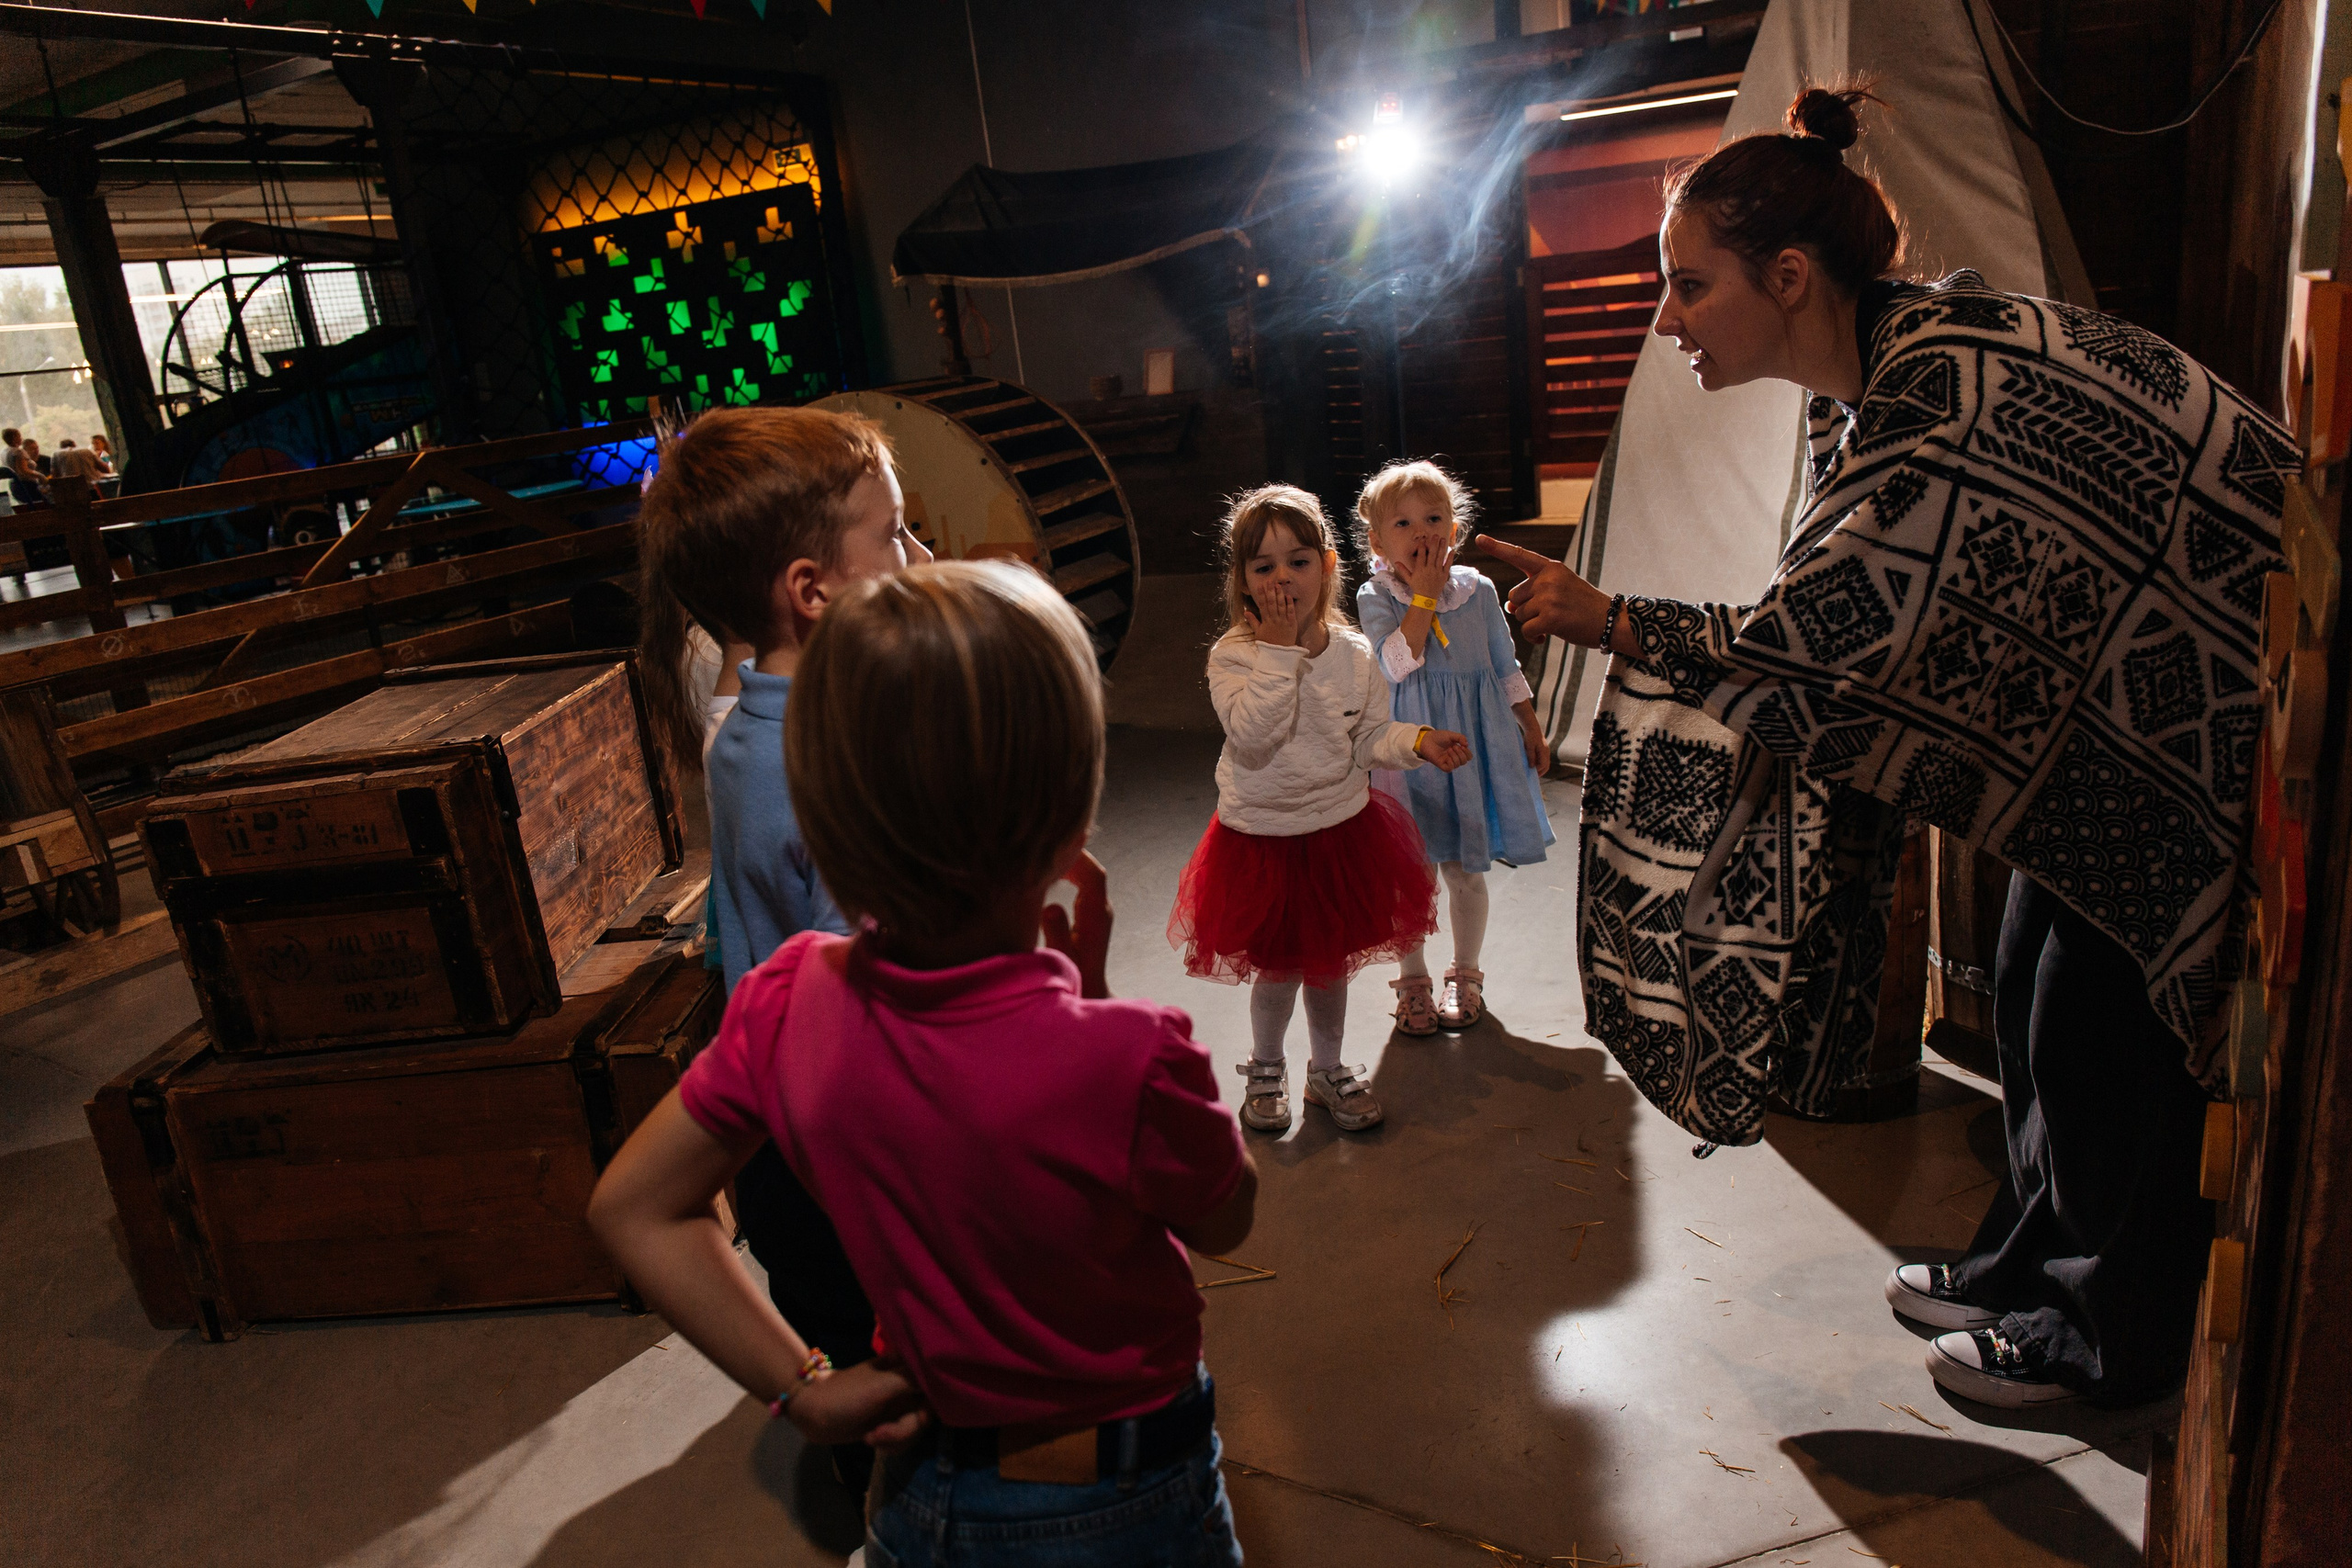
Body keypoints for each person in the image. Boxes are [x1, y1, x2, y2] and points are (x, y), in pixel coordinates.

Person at [1478, 84, 2285, 1410]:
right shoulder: (1889, 375)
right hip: (2115, 711)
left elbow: (1817, 645)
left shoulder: (1936, 398)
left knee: (2098, 1010)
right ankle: (2034, 1258)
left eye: (1688, 286)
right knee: (2032, 969)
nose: (1665, 320)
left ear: (1787, 276)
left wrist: (1611, 616)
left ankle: (2104, 1333)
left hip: (2198, 716)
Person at [591, 561, 1254, 1568]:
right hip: (1124, 1497)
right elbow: (1224, 1217)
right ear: (1072, 829)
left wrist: (805, 1388)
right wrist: (1097, 1012)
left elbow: (632, 1209)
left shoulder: (786, 1002)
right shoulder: (1129, 1056)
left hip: (922, 1496)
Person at [633, 404, 931, 1495]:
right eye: (895, 537)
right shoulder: (823, 767)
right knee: (901, 1394)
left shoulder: (763, 714)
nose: (921, 557)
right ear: (812, 591)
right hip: (844, 1151)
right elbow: (894, 988)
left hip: (793, 1135)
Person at [1169, 483, 1472, 1134]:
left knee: (1329, 970)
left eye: (1299, 561)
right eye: (1264, 565)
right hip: (1263, 838)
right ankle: (1268, 1064)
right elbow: (1253, 736)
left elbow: (1366, 738)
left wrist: (1415, 740)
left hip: (1338, 831)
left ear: (1329, 566)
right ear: (1243, 581)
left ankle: (1326, 1069)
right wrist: (1279, 650)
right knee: (1277, 971)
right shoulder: (1234, 657)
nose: (1283, 577)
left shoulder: (1354, 653)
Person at [1352, 459, 1554, 1033]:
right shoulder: (1376, 595)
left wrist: (1531, 725)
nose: (1421, 533)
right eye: (1403, 524)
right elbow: (1396, 665)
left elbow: (1503, 664)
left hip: (1474, 744)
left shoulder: (1479, 590)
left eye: (1433, 518)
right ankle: (1412, 979)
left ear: (1455, 531)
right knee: (1410, 873)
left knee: (1466, 870)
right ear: (1376, 540)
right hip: (1410, 753)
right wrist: (1421, 598)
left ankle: (1466, 973)